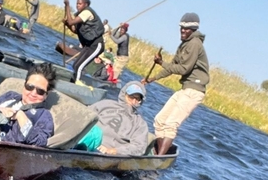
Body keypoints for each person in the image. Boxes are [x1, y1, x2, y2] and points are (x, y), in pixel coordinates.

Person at [142, 12, 209, 155]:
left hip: (194, 90)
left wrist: (161, 62)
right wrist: (152, 79)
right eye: (181, 28)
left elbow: (184, 69)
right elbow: (172, 66)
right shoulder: (183, 45)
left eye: (187, 29)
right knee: (160, 120)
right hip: (185, 89)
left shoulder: (194, 44)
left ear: (193, 30)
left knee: (170, 124)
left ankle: (159, 159)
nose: (183, 31)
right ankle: (159, 153)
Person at [0, 62, 56, 146]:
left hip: (4, 148)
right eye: (30, 87)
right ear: (24, 85)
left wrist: (20, 116)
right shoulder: (10, 96)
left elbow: (40, 142)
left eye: (40, 91)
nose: (33, 93)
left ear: (46, 95)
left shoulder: (44, 115)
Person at [77, 82, 148, 154]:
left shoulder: (140, 123)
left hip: (106, 154)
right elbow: (84, 116)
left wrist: (113, 151)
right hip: (87, 139)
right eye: (131, 97)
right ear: (124, 94)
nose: (133, 101)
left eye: (137, 99)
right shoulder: (106, 104)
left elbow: (139, 147)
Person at [63, 0, 105, 83]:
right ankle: (73, 81)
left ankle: (76, 85)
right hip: (88, 46)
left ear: (86, 5)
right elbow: (75, 30)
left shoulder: (87, 12)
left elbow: (71, 22)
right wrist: (67, 24)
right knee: (75, 65)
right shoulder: (80, 15)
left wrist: (67, 6)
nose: (77, 5)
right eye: (77, 3)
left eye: (80, 4)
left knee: (79, 66)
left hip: (96, 45)